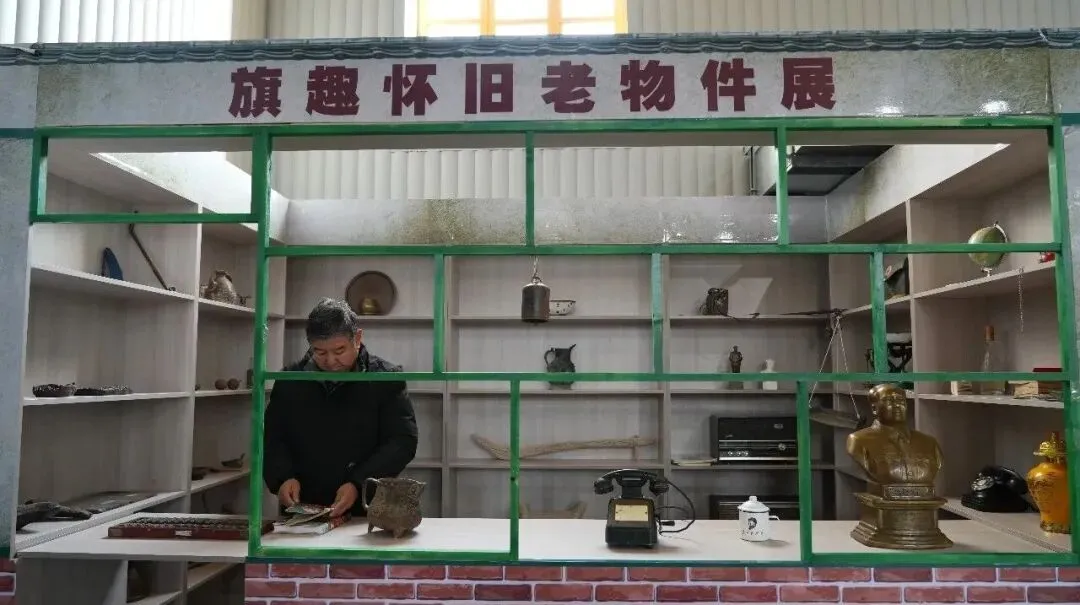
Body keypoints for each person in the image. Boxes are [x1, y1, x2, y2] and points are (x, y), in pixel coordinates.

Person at [262, 297, 418, 518]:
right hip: (302, 505)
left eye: (339, 350)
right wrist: (283, 478)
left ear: (358, 338)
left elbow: (402, 441)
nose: (331, 361)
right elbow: (272, 438)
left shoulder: (385, 378)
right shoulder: (291, 379)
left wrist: (359, 483)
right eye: (320, 352)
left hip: (366, 505)